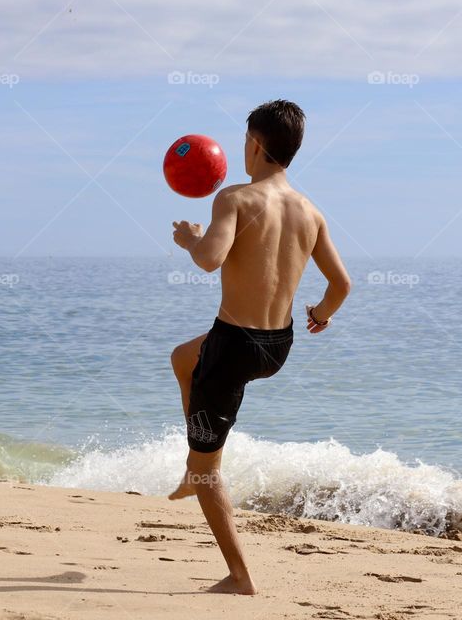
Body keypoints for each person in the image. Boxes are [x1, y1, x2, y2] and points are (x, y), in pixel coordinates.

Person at [168, 99, 352, 595]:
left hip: (232, 349)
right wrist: (321, 315)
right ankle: (196, 461)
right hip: (277, 345)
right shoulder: (311, 212)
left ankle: (238, 573)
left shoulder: (234, 199)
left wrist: (190, 239)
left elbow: (210, 259)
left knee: (209, 473)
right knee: (184, 357)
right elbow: (341, 285)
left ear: (254, 144)